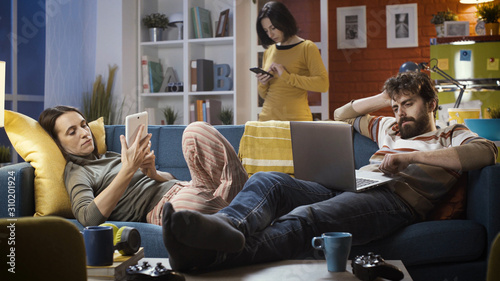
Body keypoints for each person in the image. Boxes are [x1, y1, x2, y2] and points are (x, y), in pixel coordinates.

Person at [161, 71, 498, 272]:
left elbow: (486, 152)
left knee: (308, 218)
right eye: (395, 106)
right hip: (354, 185)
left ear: (432, 103)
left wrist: (411, 160)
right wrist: (385, 95)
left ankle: (208, 257)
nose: (399, 113)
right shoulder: (389, 128)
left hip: (394, 200)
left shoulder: (450, 134)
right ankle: (223, 227)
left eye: (408, 104)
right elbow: (342, 114)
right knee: (268, 182)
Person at [38, 106, 248, 226]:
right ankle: (243, 206)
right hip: (164, 207)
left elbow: (171, 181)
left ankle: (235, 210)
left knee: (195, 131)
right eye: (72, 131)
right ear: (59, 144)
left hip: (188, 187)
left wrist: (154, 173)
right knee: (188, 208)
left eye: (84, 125)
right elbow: (87, 217)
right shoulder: (77, 172)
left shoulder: (111, 156)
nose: (84, 133)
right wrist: (128, 170)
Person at [255, 1, 329, 121]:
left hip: (297, 120)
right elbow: (264, 95)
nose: (270, 34)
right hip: (267, 120)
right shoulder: (269, 51)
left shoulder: (307, 47)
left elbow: (323, 84)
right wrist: (263, 83)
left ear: (283, 21)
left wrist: (286, 76)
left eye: (273, 28)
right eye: (266, 30)